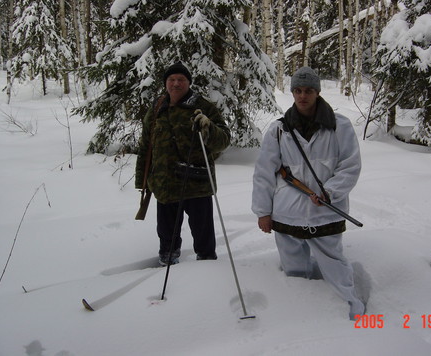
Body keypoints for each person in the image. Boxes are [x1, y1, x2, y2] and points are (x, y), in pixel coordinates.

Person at [251, 66, 365, 320]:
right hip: (286, 214)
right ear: (292, 93)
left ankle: (352, 308)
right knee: (294, 270)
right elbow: (263, 173)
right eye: (298, 90)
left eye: (309, 90)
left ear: (317, 92)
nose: (303, 96)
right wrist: (263, 212)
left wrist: (331, 192)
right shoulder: (278, 130)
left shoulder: (339, 126)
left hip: (326, 213)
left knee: (334, 263)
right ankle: (302, 316)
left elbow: (350, 165)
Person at [135, 62, 230, 266]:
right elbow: (145, 146)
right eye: (171, 79)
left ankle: (207, 266)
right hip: (164, 184)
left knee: (203, 235)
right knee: (167, 234)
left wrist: (208, 128)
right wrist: (142, 181)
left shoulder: (203, 106)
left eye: (181, 80)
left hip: (197, 183)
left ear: (188, 83)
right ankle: (168, 261)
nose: (176, 83)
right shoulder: (157, 108)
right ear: (165, 83)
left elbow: (224, 140)